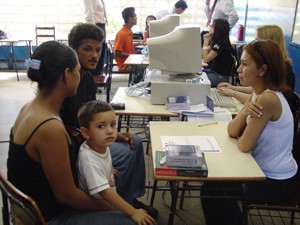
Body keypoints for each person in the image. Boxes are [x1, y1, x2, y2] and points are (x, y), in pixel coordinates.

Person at [7, 41, 136, 225]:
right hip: (49, 217)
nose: (80, 75)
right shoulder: (49, 127)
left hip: (34, 205)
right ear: (67, 75)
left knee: (114, 174)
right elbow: (68, 197)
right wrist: (112, 206)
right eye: (77, 70)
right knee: (128, 219)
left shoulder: (30, 108)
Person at [60, 23, 158, 218]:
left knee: (134, 141)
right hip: (81, 146)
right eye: (87, 49)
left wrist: (114, 132)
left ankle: (129, 198)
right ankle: (124, 205)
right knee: (128, 150)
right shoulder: (68, 84)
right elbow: (73, 129)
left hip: (88, 137)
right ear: (73, 50)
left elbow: (91, 116)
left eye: (98, 49)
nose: (94, 55)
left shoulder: (86, 78)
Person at [201, 40, 298, 225]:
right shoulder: (259, 92)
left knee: (215, 191)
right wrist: (245, 110)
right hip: (260, 171)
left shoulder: (268, 98)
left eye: (245, 64)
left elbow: (244, 145)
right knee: (211, 188)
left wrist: (246, 111)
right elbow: (231, 130)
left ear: (262, 70)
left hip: (276, 181)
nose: (238, 69)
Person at [76, 100, 155, 224]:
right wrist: (133, 212)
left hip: (107, 197)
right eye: (101, 126)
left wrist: (109, 169)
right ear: (86, 133)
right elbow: (105, 193)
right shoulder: (88, 160)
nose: (110, 131)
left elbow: (103, 160)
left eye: (112, 124)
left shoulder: (100, 144)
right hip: (100, 208)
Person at [217, 25, 296, 103]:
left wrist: (233, 93)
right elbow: (257, 89)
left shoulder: (281, 69)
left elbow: (261, 100)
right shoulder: (274, 65)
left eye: (257, 41)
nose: (254, 44)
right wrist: (234, 88)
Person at [202, 18, 234, 87]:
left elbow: (205, 59)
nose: (210, 27)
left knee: (198, 81)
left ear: (218, 29)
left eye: (213, 26)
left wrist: (206, 42)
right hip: (213, 72)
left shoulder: (221, 43)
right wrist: (209, 40)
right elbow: (203, 54)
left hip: (220, 77)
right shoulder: (218, 42)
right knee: (195, 74)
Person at [82, 0, 108, 76]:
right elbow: (89, 17)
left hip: (101, 26)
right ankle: (92, 83)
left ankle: (95, 84)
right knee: (94, 59)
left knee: (99, 60)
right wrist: (93, 34)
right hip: (96, 27)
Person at [114, 7, 138, 72]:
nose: (136, 18)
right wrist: (132, 56)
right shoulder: (121, 34)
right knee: (146, 68)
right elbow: (117, 53)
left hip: (131, 61)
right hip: (125, 65)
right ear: (130, 18)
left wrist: (140, 43)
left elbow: (127, 46)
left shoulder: (129, 32)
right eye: (135, 16)